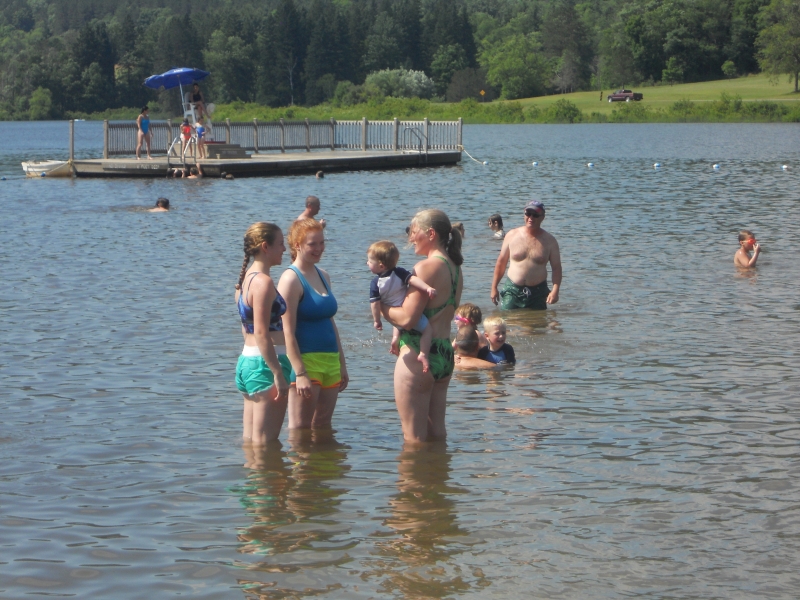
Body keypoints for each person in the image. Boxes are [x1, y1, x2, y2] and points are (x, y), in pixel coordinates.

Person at [381, 209, 463, 443]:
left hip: (419, 354)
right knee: (437, 435)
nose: (410, 238)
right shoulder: (455, 268)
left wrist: (380, 306)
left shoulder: (426, 267)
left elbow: (407, 319)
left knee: (413, 440)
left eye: (413, 231)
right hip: (444, 352)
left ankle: (414, 470)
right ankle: (439, 468)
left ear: (431, 234)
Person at [278, 218, 348, 430]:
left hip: (330, 360)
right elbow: (287, 332)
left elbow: (331, 323)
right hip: (306, 361)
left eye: (322, 243)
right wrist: (300, 373)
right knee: (300, 429)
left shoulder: (323, 275)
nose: (319, 249)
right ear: (297, 245)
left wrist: (342, 364)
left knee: (323, 427)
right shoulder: (290, 279)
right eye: (312, 244)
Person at [234, 222, 292, 445]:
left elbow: (246, 328)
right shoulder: (263, 282)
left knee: (251, 441)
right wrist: (277, 372)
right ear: (265, 247)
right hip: (266, 364)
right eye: (280, 244)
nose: (284, 249)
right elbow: (261, 332)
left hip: (247, 361)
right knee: (266, 444)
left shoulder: (244, 280)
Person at [367, 240, 437, 372]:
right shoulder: (399, 272)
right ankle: (423, 353)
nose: (367, 263)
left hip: (395, 317)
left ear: (381, 266)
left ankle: (395, 338)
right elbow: (413, 280)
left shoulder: (375, 283)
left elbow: (375, 304)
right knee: (427, 330)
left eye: (370, 261)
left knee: (397, 323)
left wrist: (377, 320)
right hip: (406, 311)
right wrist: (427, 288)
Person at [491, 200, 561, 310]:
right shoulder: (511, 235)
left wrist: (555, 290)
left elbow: (556, 268)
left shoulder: (550, 241)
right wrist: (494, 287)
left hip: (538, 292)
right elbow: (501, 262)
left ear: (542, 217)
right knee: (506, 318)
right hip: (512, 290)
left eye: (535, 215)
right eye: (528, 214)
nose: (531, 217)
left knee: (538, 320)